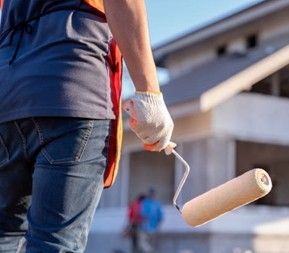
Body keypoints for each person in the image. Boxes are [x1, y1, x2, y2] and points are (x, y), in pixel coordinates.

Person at [0, 0, 174, 252]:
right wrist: (149, 94)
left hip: (8, 97)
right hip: (72, 87)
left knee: (3, 235)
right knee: (54, 243)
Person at [139, 189, 163, 253]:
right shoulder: (147, 202)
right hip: (147, 228)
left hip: (151, 228)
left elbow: (160, 216)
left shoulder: (155, 203)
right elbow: (143, 214)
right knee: (145, 244)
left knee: (147, 244)